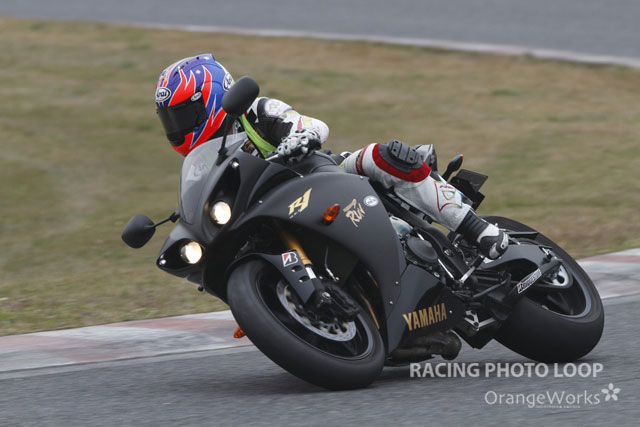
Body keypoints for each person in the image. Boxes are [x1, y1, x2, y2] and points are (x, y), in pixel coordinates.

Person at [154, 54, 508, 259]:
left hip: (326, 178)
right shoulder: (202, 163)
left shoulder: (257, 112)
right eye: (171, 119)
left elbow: (312, 125)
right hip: (279, 218)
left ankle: (478, 230)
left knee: (382, 156)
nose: (178, 127)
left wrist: (300, 137)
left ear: (214, 96)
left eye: (184, 114)